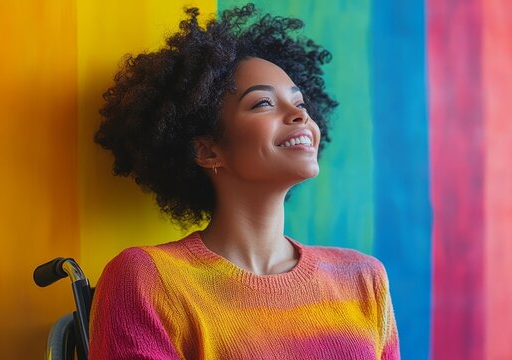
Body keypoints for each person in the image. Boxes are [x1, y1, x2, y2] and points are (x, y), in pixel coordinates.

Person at [89, 4, 400, 359]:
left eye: (300, 102)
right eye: (263, 103)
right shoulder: (147, 280)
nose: (300, 114)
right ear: (207, 151)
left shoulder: (365, 279)